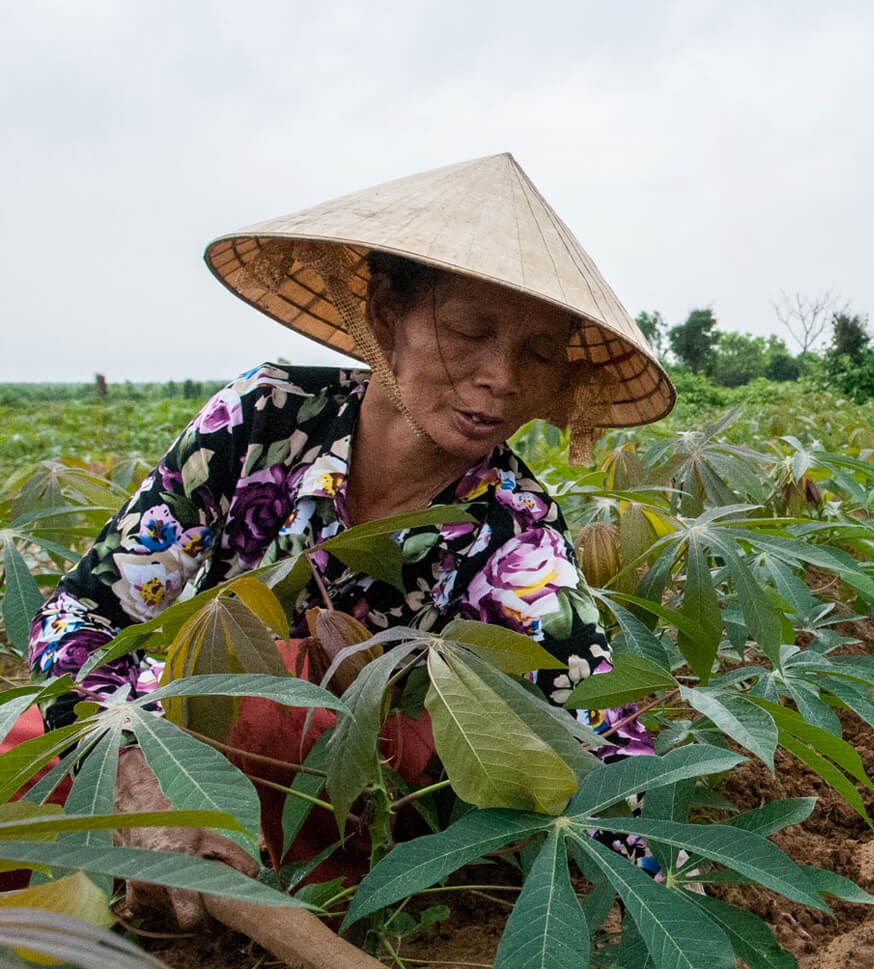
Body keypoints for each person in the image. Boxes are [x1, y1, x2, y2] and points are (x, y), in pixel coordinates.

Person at [24, 154, 676, 915]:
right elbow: (81, 616)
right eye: (469, 330)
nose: (500, 376)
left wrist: (667, 930)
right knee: (31, 750)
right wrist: (134, 769)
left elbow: (601, 738)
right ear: (384, 317)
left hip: (343, 803)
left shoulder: (513, 531)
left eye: (536, 353)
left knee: (313, 711)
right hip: (171, 741)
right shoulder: (259, 419)